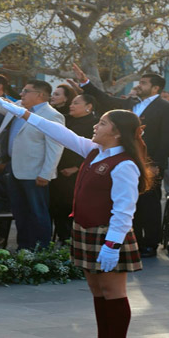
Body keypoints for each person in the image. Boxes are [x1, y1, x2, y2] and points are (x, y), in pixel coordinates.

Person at [0, 95, 150, 338]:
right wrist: (23, 114)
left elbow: (124, 211)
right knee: (97, 290)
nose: (95, 127)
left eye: (102, 123)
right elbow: (57, 130)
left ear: (117, 133)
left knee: (113, 292)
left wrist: (112, 245)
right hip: (85, 229)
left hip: (107, 234)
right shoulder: (93, 151)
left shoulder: (124, 165)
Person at [72, 64, 169, 258]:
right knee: (130, 204)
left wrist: (156, 165)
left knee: (149, 204)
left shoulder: (167, 109)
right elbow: (106, 100)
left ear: (156, 88)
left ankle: (151, 243)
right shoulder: (131, 104)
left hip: (148, 164)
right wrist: (85, 83)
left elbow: (167, 140)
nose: (139, 85)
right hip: (126, 160)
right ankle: (134, 240)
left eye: (144, 83)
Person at [0, 73, 65, 250]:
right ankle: (24, 249)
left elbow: (55, 148)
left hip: (35, 174)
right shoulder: (19, 107)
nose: (21, 94)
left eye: (26, 91)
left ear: (40, 95)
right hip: (14, 170)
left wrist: (46, 173)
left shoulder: (52, 116)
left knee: (37, 213)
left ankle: (41, 251)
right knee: (20, 214)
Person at [50, 94, 97, 242]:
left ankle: (73, 239)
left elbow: (95, 150)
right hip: (59, 170)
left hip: (79, 173)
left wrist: (77, 167)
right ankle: (62, 237)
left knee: (71, 206)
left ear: (88, 106)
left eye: (76, 103)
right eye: (71, 102)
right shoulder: (65, 120)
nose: (71, 105)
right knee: (57, 206)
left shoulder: (94, 124)